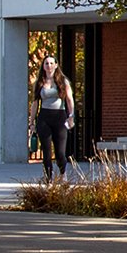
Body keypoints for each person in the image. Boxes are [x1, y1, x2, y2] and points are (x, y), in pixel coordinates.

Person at [34, 53, 75, 181]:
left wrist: (71, 116)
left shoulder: (63, 81)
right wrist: (31, 123)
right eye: (46, 63)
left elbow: (69, 100)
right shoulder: (39, 82)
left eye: (51, 63)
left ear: (56, 65)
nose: (49, 65)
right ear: (43, 66)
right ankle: (48, 178)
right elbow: (35, 103)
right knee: (46, 153)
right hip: (44, 117)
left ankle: (63, 174)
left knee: (60, 153)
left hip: (59, 116)